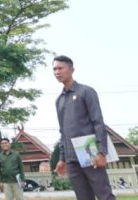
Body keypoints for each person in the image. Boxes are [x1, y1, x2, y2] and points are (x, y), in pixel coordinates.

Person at [53, 55, 116, 200]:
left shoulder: (86, 91)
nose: (57, 72)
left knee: (104, 194)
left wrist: (101, 152)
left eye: (60, 68)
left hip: (89, 151)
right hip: (71, 156)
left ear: (72, 69)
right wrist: (62, 158)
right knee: (83, 197)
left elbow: (98, 122)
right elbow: (62, 130)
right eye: (54, 69)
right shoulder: (59, 100)